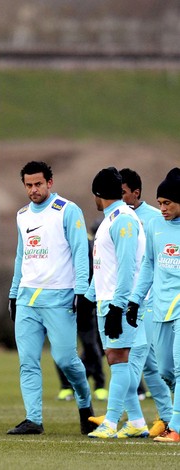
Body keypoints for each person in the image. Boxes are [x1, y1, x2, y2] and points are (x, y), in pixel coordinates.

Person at [7, 161, 95, 436]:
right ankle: (33, 418)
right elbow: (21, 255)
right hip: (27, 299)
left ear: (50, 183)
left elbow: (82, 251)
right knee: (28, 361)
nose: (33, 190)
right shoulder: (22, 215)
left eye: (38, 184)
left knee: (66, 359)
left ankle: (85, 405)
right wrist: (13, 293)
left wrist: (82, 292)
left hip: (60, 298)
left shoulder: (67, 211)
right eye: (28, 185)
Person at [85, 167, 149, 439]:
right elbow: (103, 267)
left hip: (119, 302)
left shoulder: (123, 219)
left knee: (119, 358)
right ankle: (135, 421)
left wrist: (117, 306)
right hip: (107, 299)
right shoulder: (111, 219)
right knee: (115, 359)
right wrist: (88, 298)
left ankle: (111, 422)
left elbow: (127, 267)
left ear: (98, 194)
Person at [128, 168, 180, 442]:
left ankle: (177, 429)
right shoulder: (154, 226)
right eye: (159, 203)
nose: (162, 208)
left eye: (168, 203)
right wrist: (135, 300)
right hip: (159, 308)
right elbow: (148, 264)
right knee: (165, 372)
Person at [55, 218, 108, 403]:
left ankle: (99, 385)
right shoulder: (57, 242)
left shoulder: (87, 244)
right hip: (62, 303)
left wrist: (89, 297)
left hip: (84, 303)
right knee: (62, 348)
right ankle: (66, 387)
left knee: (91, 345)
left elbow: (94, 272)